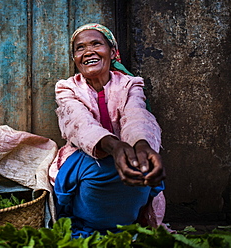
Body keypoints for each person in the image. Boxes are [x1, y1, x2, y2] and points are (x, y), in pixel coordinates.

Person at [48, 23, 167, 238]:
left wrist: (141, 146)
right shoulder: (66, 88)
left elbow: (137, 115)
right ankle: (89, 221)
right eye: (80, 48)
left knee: (141, 167)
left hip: (126, 154)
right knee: (97, 171)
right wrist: (114, 146)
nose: (88, 52)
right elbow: (80, 123)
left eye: (96, 44)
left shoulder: (130, 84)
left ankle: (124, 224)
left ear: (112, 52)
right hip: (86, 158)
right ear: (75, 57)